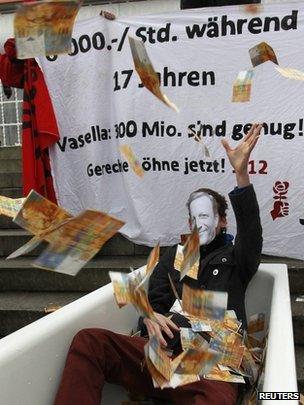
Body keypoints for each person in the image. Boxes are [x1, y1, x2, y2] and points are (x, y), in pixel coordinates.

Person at [54, 123, 263, 405]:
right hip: (162, 355)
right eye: (194, 217)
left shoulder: (236, 258)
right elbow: (155, 303)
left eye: (207, 216)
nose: (199, 223)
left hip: (213, 362)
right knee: (90, 342)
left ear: (222, 220)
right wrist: (150, 319)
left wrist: (241, 174)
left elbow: (251, 232)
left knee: (217, 397)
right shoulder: (175, 255)